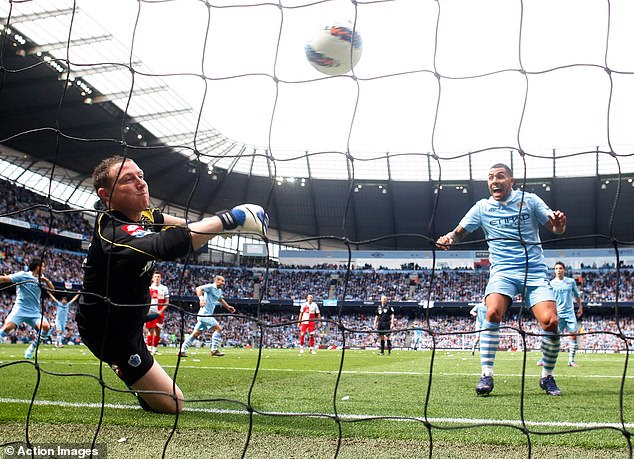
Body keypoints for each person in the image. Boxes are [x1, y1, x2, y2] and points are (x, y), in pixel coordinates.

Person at [77, 155, 268, 414]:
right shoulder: (112, 231)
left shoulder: (147, 216)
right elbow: (167, 245)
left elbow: (185, 228)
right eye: (128, 180)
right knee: (173, 404)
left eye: (141, 176)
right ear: (106, 195)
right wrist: (231, 219)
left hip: (131, 318)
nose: (140, 183)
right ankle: (124, 367)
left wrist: (215, 229)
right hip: (108, 330)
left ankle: (137, 374)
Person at [436, 163, 567, 397]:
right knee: (492, 312)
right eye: (490, 177)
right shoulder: (482, 207)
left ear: (511, 181)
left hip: (534, 271)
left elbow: (556, 228)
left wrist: (559, 226)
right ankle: (486, 374)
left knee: (551, 322)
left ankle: (547, 375)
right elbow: (459, 233)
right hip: (503, 272)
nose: (494, 181)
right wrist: (449, 238)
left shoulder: (530, 201)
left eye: (500, 176)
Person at [0, 259, 55, 359]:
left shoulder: (41, 279)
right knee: (7, 327)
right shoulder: (23, 275)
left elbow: (52, 290)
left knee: (46, 327)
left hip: (34, 312)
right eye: (43, 266)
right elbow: (4, 279)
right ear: (37, 267)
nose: (44, 268)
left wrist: (46, 281)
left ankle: (32, 348)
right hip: (20, 309)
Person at [537, 261, 583, 367]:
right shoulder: (551, 283)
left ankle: (571, 360)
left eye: (560, 268)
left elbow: (577, 295)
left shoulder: (571, 282)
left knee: (573, 335)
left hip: (570, 313)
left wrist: (580, 307)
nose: (558, 270)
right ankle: (544, 358)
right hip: (557, 313)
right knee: (552, 337)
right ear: (554, 271)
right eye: (556, 269)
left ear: (564, 270)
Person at [179, 275, 236, 358]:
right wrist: (201, 299)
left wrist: (228, 307)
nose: (224, 283)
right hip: (204, 314)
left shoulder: (219, 291)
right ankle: (214, 350)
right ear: (217, 281)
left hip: (206, 314)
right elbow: (198, 289)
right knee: (219, 329)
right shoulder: (210, 287)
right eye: (222, 281)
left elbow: (220, 299)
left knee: (196, 334)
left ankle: (182, 351)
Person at [145, 272, 169, 355]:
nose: (157, 278)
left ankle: (154, 349)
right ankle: (149, 349)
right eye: (155, 276)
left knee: (158, 330)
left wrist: (161, 310)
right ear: (152, 278)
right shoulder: (149, 288)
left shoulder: (164, 288)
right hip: (151, 311)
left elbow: (166, 302)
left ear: (161, 278)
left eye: (158, 276)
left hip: (160, 312)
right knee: (150, 330)